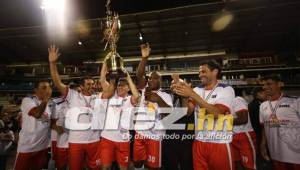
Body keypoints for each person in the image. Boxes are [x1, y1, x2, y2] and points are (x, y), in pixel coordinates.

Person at [48, 45, 114, 170]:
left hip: (94, 140)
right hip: (76, 141)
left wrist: (112, 77)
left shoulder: (97, 97)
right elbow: (57, 82)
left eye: (93, 84)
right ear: (81, 86)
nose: (92, 86)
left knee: (96, 168)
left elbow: (110, 92)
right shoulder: (73, 95)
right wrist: (52, 63)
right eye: (88, 84)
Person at [173, 60, 235, 170]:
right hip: (199, 142)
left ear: (215, 72)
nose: (200, 74)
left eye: (203, 71)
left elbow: (217, 113)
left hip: (219, 142)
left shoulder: (226, 89)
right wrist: (184, 96)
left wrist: (191, 93)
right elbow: (187, 112)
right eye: (199, 72)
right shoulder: (197, 89)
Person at [133, 43, 173, 170]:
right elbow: (139, 75)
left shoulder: (165, 96)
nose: (150, 80)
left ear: (160, 81)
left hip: (155, 136)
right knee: (137, 164)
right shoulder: (144, 90)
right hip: (140, 133)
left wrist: (158, 100)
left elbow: (170, 117)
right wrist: (144, 58)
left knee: (153, 167)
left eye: (154, 78)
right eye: (149, 78)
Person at [99, 63, 140, 170]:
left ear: (128, 88)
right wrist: (105, 63)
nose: (120, 87)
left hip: (123, 140)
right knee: (106, 167)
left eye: (123, 85)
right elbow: (102, 81)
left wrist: (128, 77)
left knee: (123, 168)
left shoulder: (130, 99)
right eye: (119, 85)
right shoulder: (111, 95)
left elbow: (137, 96)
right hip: (107, 138)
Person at [259, 74, 300, 170]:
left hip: (295, 152)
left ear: (280, 84)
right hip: (275, 152)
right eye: (263, 85)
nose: (265, 87)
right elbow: (265, 126)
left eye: (269, 84)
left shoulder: (295, 101)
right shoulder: (263, 105)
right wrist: (263, 144)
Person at [14, 80, 54, 170]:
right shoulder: (28, 100)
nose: (47, 90)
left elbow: (49, 122)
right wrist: (46, 99)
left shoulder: (50, 104)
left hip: (43, 146)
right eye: (44, 88)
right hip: (28, 146)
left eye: (49, 87)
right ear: (36, 90)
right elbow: (37, 114)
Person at [162, 74, 194, 170]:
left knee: (186, 166)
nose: (174, 86)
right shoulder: (167, 98)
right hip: (169, 140)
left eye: (177, 84)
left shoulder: (189, 97)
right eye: (172, 84)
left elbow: (186, 111)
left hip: (185, 140)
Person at [231, 96, 257, 170]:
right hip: (231, 135)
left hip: (244, 134)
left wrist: (222, 120)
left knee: (249, 166)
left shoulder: (237, 99)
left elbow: (243, 119)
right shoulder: (223, 102)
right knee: (236, 163)